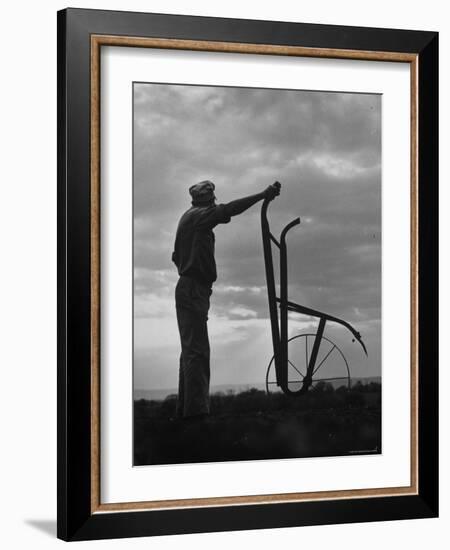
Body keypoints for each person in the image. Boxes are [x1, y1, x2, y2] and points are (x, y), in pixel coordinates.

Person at [172, 179, 281, 419]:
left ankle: (186, 413)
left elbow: (174, 256)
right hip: (193, 289)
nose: (215, 204)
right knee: (197, 352)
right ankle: (196, 416)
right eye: (213, 201)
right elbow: (229, 209)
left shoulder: (189, 218)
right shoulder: (199, 216)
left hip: (191, 288)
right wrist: (262, 195)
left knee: (191, 350)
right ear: (207, 201)